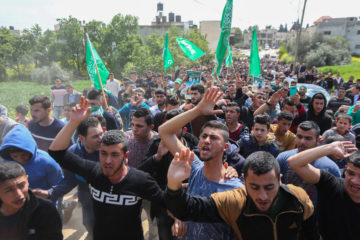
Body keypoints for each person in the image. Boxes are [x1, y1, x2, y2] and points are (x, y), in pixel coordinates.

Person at [48, 97, 165, 240]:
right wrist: (74, 122)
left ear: (125, 155)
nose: (108, 161)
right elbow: (56, 152)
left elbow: (167, 204)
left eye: (115, 155)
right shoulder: (93, 172)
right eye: (103, 153)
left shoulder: (141, 180)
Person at [165, 150, 319, 240]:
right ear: (244, 181)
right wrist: (173, 183)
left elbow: (310, 232)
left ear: (280, 180)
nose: (263, 196)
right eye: (254, 187)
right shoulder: (234, 202)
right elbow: (188, 209)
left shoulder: (298, 198)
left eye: (269, 187)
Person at [159, 87, 244, 240]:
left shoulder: (235, 188)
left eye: (214, 138)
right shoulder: (195, 167)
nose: (206, 141)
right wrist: (198, 110)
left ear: (226, 147)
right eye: (203, 136)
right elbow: (165, 131)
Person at [35, 116, 104, 239]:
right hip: (86, 195)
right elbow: (69, 180)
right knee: (89, 223)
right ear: (82, 138)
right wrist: (50, 193)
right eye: (95, 136)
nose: (101, 139)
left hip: (109, 196)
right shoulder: (73, 153)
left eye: (101, 134)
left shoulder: (110, 149)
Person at [287, 141, 360, 240]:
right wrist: (329, 148)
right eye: (351, 173)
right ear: (345, 170)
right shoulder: (332, 185)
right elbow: (294, 162)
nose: (355, 181)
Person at [276, 121, 341, 204]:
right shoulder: (283, 158)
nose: (302, 142)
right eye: (299, 137)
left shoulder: (330, 167)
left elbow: (336, 196)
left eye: (308, 138)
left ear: (318, 140)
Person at [0, 162, 63, 240]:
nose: (19, 194)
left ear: (27, 180)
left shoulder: (45, 210)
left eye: (21, 185)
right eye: (9, 190)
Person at [0, 124, 63, 199]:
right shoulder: (8, 162)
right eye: (15, 156)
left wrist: (48, 193)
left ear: (30, 150)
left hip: (43, 200)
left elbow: (60, 184)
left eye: (23, 155)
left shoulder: (47, 162)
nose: (20, 159)